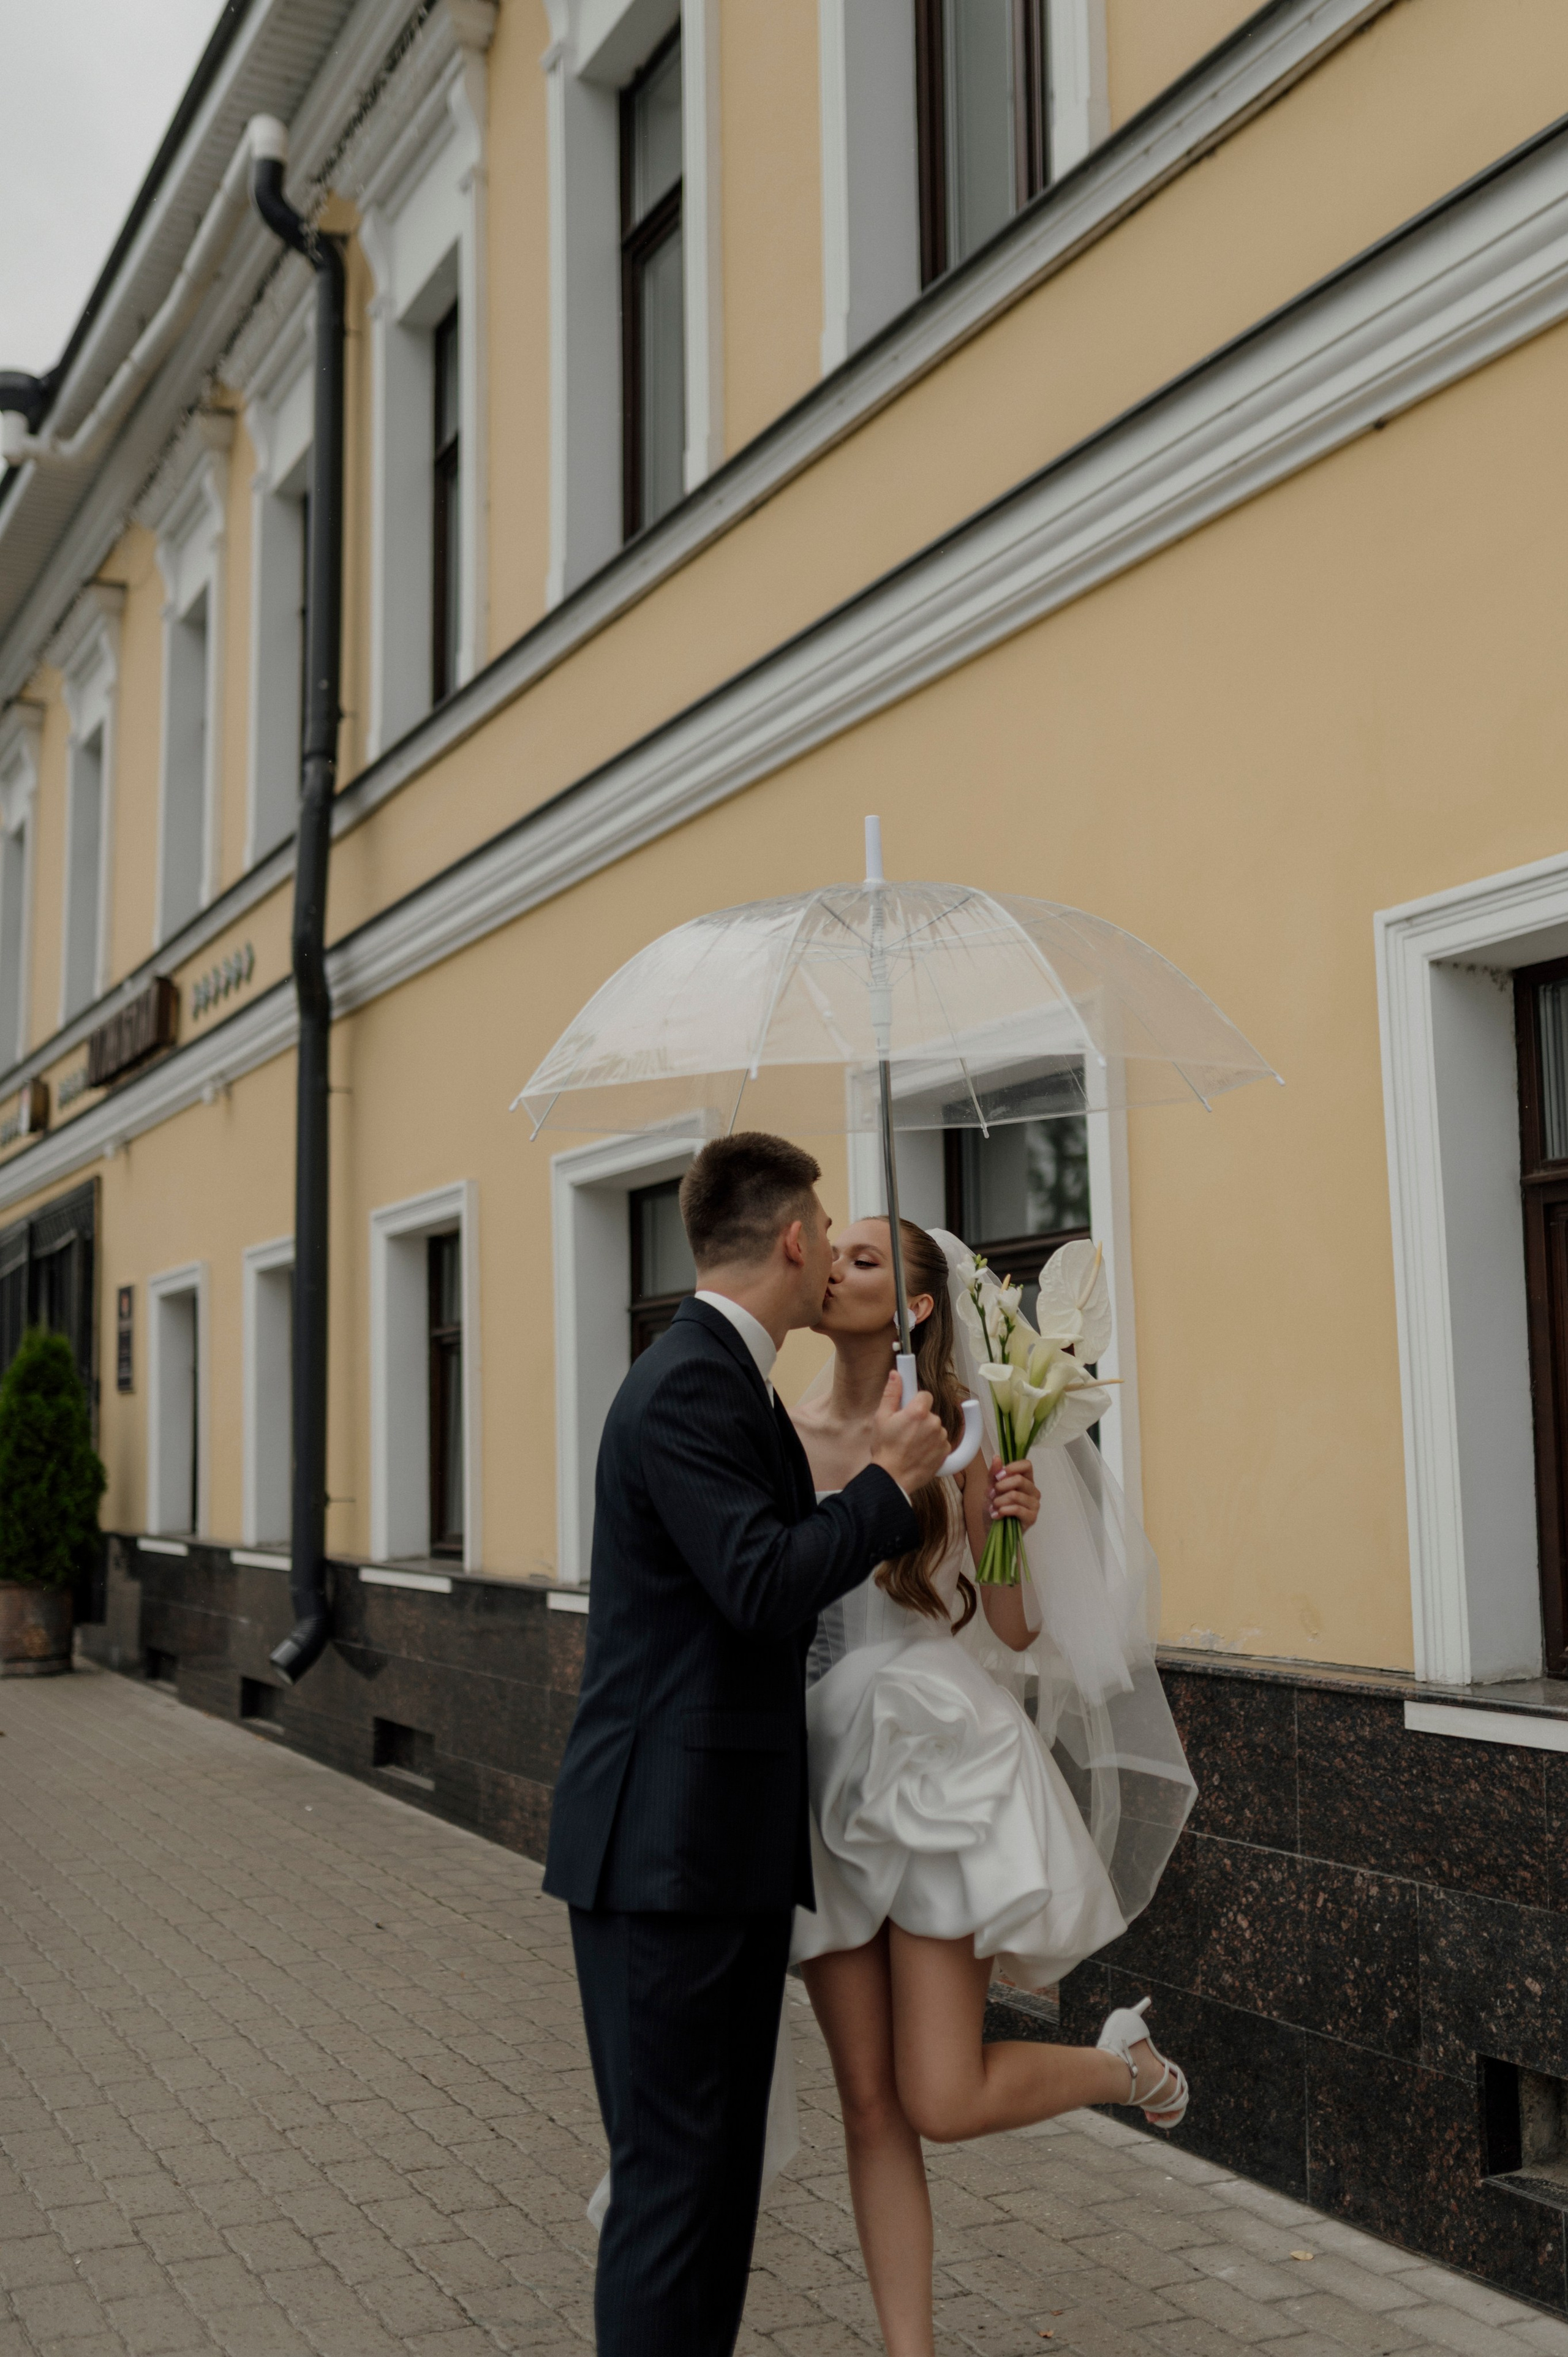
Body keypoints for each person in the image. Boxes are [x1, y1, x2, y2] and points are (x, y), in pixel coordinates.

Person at [543, 1135, 953, 2357]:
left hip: (711, 1852)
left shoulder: (731, 1382)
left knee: (715, 2187)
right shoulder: (689, 1385)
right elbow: (760, 1584)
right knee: (674, 2191)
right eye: (827, 1230)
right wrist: (881, 1486)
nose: (833, 1250)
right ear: (791, 1240)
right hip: (664, 1855)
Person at [790, 1216, 1194, 2357]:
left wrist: (1007, 1527)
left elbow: (1013, 1631)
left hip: (937, 1763)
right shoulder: (779, 1431)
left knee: (941, 2096)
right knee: (869, 2104)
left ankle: (1122, 2067)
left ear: (917, 1307)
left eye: (863, 1259)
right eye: (832, 1253)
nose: (832, 1267)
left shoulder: (965, 1428)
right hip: (816, 1767)